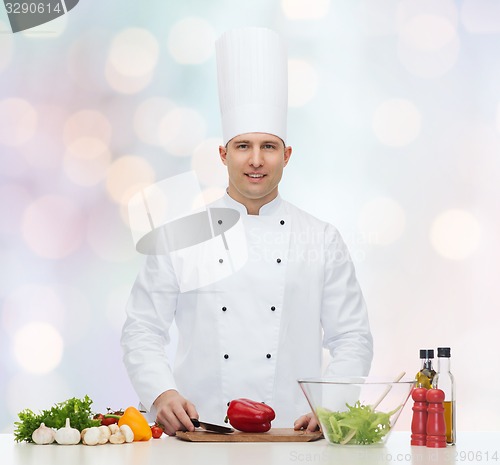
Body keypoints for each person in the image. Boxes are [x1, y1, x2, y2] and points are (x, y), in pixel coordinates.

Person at [121, 27, 373, 436]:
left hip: (294, 436)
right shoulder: (181, 235)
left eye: (269, 147)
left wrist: (332, 407)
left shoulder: (320, 238)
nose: (256, 161)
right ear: (223, 154)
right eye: (243, 146)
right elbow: (142, 328)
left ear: (287, 155)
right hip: (199, 433)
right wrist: (161, 393)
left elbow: (352, 337)